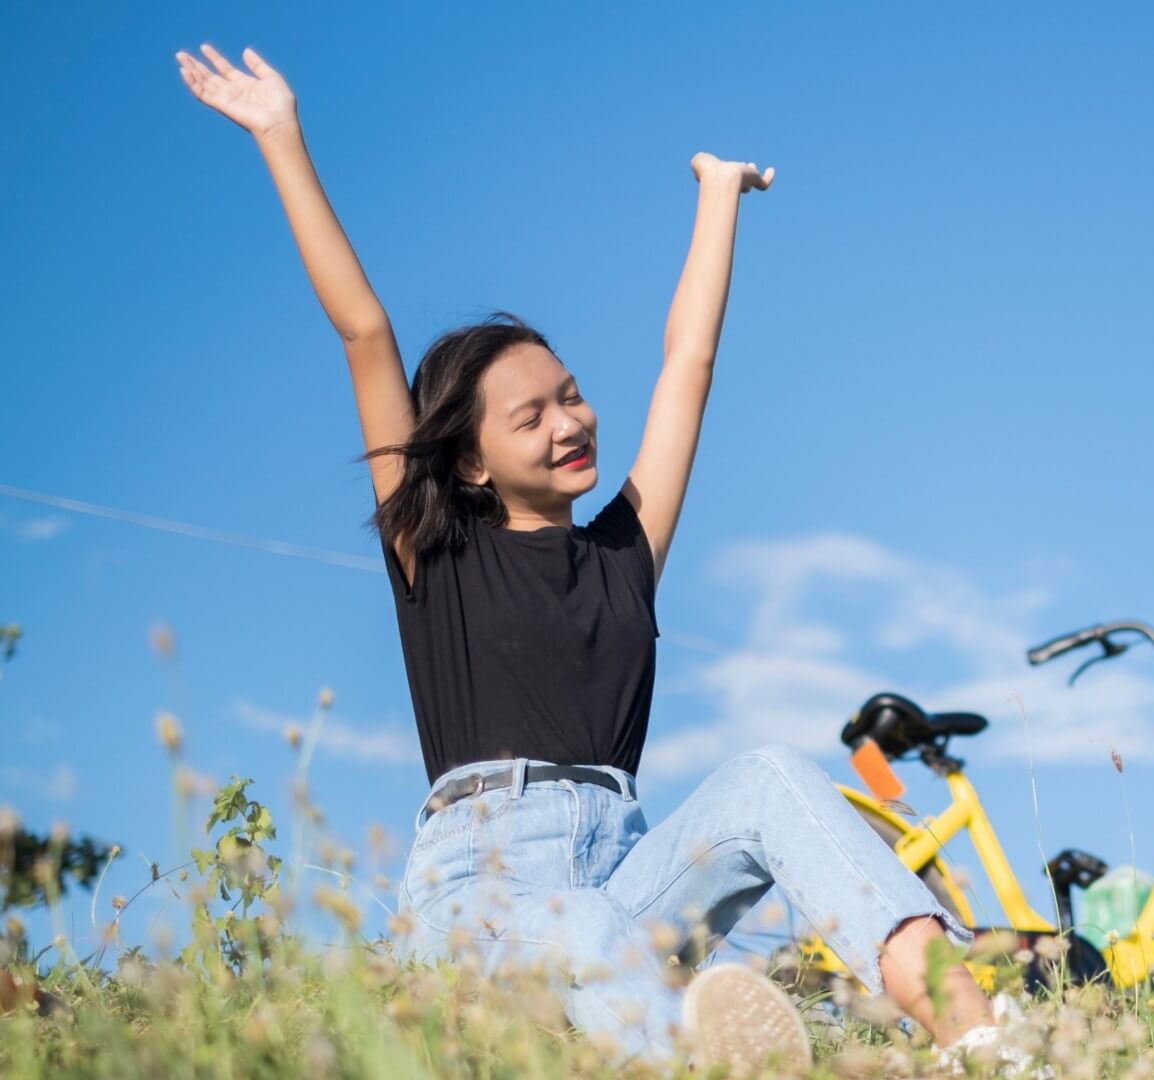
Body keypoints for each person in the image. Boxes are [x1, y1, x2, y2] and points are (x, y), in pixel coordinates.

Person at [173, 41, 999, 1070]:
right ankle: (700, 1061)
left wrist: (719, 194)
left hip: (626, 874)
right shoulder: (433, 549)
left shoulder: (624, 551)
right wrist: (280, 135)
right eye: (533, 416)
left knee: (774, 775)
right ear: (470, 461)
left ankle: (983, 1038)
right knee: (586, 932)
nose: (572, 421)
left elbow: (686, 365)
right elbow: (364, 331)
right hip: (481, 900)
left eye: (571, 394)